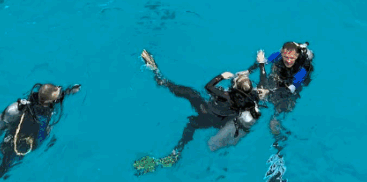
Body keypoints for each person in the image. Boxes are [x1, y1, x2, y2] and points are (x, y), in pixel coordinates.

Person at [133, 50, 266, 175]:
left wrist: (221, 76)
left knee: (191, 94)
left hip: (207, 112)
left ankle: (161, 79)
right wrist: (261, 64)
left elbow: (208, 87)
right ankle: (176, 153)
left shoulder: (226, 95)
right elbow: (262, 84)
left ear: (235, 87)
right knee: (194, 124)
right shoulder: (252, 98)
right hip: (219, 123)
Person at [0, 82, 81, 182]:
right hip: (19, 148)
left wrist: (69, 91)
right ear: (50, 102)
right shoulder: (43, 117)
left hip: (8, 139)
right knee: (1, 172)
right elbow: (41, 137)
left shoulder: (28, 103)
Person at [253, 41, 314, 182]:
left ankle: (279, 148)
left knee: (274, 120)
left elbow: (289, 90)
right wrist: (258, 63)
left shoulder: (302, 70)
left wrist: (268, 92)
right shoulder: (281, 56)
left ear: (297, 56)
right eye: (286, 57)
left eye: (292, 58)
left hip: (289, 89)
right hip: (280, 81)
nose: (288, 60)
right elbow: (264, 62)